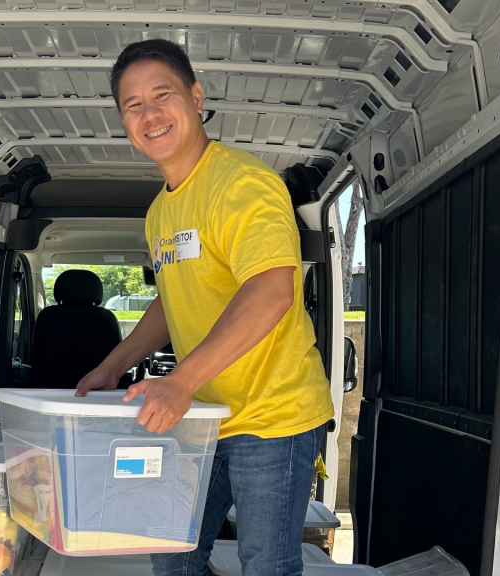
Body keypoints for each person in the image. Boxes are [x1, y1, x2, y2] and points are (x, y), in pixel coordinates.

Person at [75, 39, 334, 576]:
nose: (149, 114)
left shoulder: (242, 183)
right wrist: (111, 366)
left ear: (195, 97)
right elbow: (171, 302)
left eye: (162, 94)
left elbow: (272, 290)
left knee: (264, 565)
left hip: (272, 415)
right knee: (173, 553)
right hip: (202, 417)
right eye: (133, 105)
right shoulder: (159, 213)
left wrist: (181, 381)